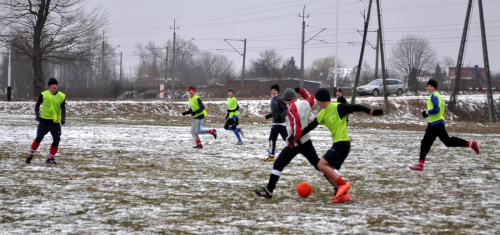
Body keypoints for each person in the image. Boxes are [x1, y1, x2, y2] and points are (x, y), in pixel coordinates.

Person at [300, 88, 383, 203]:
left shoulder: (338, 107)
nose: (317, 103)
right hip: (338, 144)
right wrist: (297, 135)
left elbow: (356, 106)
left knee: (321, 165)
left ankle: (343, 185)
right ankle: (343, 194)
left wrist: (371, 112)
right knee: (328, 171)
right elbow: (311, 126)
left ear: (322, 100)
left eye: (318, 101)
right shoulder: (322, 113)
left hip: (342, 144)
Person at [254, 88, 320, 198]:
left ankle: (269, 191)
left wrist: (293, 139)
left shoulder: (291, 108)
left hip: (295, 142)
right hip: (306, 141)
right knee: (318, 165)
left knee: (278, 164)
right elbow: (311, 97)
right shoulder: (305, 103)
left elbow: (296, 125)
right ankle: (337, 185)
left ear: (286, 100)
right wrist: (301, 90)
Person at [409, 79, 480, 172]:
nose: (429, 88)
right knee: (439, 142)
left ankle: (471, 144)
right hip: (435, 123)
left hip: (436, 124)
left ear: (434, 87)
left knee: (433, 142)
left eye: (431, 86)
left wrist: (426, 112)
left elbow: (437, 109)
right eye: (428, 86)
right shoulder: (437, 95)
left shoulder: (434, 96)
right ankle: (420, 164)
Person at [25, 78, 66, 165]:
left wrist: (63, 118)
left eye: (56, 84)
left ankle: (50, 158)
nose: (54, 86)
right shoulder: (43, 94)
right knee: (39, 138)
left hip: (55, 123)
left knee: (57, 140)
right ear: (49, 86)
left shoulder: (61, 96)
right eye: (52, 84)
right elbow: (37, 105)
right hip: (44, 121)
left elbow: (63, 108)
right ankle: (30, 157)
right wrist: (37, 115)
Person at [264, 84, 288, 162]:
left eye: (275, 90)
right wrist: (269, 116)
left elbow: (285, 109)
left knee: (273, 139)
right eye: (272, 90)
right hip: (276, 123)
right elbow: (275, 112)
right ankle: (272, 156)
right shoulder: (273, 100)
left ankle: (271, 156)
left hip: (280, 123)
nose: (273, 92)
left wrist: (281, 117)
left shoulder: (279, 99)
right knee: (284, 139)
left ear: (278, 91)